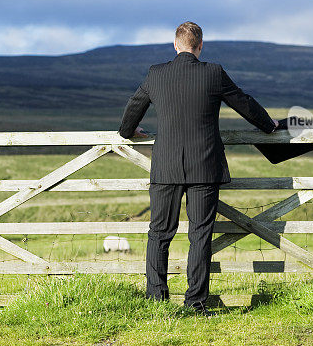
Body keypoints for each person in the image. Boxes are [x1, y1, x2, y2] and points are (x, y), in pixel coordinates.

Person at [117, 21, 279, 316]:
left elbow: (132, 108)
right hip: (204, 166)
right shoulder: (213, 73)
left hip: (165, 166)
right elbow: (245, 103)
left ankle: (156, 300)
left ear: (175, 45)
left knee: (159, 233)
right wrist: (270, 126)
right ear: (200, 46)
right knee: (200, 234)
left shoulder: (156, 73)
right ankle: (195, 303)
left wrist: (128, 132)